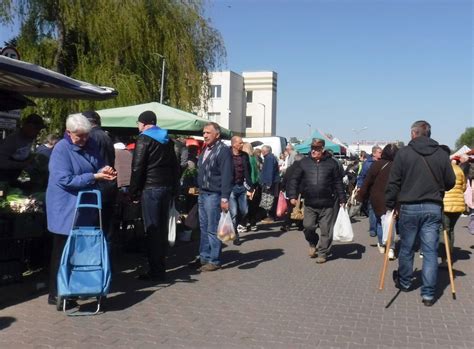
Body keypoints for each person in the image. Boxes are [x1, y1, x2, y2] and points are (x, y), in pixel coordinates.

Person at [46, 113, 116, 307]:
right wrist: (94, 176)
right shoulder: (61, 149)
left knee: (79, 250)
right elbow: (64, 180)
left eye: (86, 135)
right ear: (69, 133)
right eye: (79, 136)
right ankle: (57, 292)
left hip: (84, 206)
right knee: (62, 250)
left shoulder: (91, 144)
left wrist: (106, 171)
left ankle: (74, 288)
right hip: (65, 206)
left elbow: (100, 164)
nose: (84, 139)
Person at [386, 120, 455, 306]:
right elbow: (450, 182)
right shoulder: (441, 153)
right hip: (433, 207)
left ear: (413, 133)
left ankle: (406, 282)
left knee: (407, 248)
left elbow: (394, 181)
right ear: (429, 134)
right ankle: (428, 295)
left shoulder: (404, 153)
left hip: (409, 206)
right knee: (430, 251)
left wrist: (391, 203)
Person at [129, 111, 179, 281]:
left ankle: (154, 270)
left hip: (150, 188)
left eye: (138, 123)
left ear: (143, 123)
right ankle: (161, 267)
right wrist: (174, 189)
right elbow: (175, 167)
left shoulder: (143, 139)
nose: (138, 126)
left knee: (152, 229)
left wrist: (133, 191)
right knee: (162, 229)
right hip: (165, 188)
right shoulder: (167, 140)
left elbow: (137, 167)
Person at [288, 139, 346, 264]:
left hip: (328, 203)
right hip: (310, 203)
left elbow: (338, 182)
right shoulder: (304, 162)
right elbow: (294, 180)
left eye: (317, 148)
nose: (314, 151)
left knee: (326, 230)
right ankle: (313, 242)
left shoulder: (332, 163)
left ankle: (322, 253)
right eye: (312, 148)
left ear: (323, 149)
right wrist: (292, 195)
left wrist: (342, 198)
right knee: (308, 226)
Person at [189, 122, 233, 272]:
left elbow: (227, 175)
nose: (205, 135)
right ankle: (203, 257)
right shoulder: (205, 149)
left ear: (217, 134)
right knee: (203, 228)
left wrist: (225, 198)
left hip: (214, 195)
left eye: (208, 132)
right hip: (203, 193)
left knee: (212, 229)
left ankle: (214, 260)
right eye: (204, 133)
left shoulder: (223, 150)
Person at [357, 144, 399, 260]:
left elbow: (367, 181)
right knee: (392, 221)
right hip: (393, 197)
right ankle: (391, 247)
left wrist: (360, 196)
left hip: (377, 198)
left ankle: (382, 244)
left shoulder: (376, 165)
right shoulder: (399, 166)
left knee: (380, 222)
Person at [0, 113, 45, 184]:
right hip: (3, 179)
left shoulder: (29, 138)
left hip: (12, 177)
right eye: (36, 129)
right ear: (28, 126)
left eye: (39, 129)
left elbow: (23, 155)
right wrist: (22, 164)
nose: (38, 132)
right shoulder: (12, 140)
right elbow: (1, 162)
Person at [439, 157, 466, 266]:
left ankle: (445, 258)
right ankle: (449, 254)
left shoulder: (442, 169)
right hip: (458, 204)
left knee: (444, 230)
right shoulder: (459, 169)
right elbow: (463, 187)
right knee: (451, 230)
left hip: (446, 204)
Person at [229, 136, 253, 246]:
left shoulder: (245, 155)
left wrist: (250, 185)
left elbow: (248, 170)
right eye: (240, 143)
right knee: (233, 213)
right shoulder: (227, 154)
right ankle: (235, 235)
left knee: (245, 211)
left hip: (242, 187)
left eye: (242, 143)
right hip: (231, 187)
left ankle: (236, 225)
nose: (242, 144)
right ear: (234, 144)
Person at [356, 145, 382, 237]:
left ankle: (378, 229)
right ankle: (373, 229)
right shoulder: (368, 164)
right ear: (374, 153)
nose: (381, 154)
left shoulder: (383, 162)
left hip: (381, 191)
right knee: (372, 210)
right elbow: (361, 176)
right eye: (379, 152)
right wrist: (359, 186)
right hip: (371, 191)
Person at [280, 153, 304, 232]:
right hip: (299, 191)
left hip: (289, 191)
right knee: (299, 208)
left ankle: (288, 224)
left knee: (291, 208)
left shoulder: (290, 168)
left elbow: (285, 179)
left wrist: (283, 187)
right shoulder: (303, 168)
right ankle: (298, 224)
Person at [242, 142, 261, 231]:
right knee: (253, 205)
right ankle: (253, 224)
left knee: (245, 205)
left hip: (248, 185)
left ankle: (244, 225)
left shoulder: (246, 158)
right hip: (256, 184)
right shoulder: (254, 158)